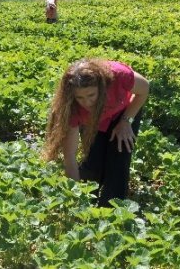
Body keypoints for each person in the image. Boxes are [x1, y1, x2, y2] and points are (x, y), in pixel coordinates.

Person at [42, 58, 149, 207]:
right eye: (80, 97)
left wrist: (125, 121)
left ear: (102, 86)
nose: (86, 102)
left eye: (91, 95)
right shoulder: (71, 108)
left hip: (124, 112)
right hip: (93, 120)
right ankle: (86, 201)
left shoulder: (118, 76)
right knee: (93, 163)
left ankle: (112, 210)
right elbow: (70, 156)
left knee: (119, 156)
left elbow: (144, 89)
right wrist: (73, 198)